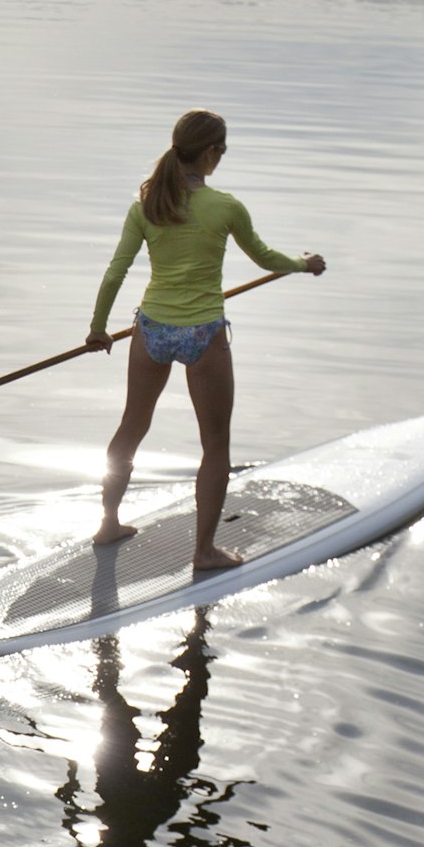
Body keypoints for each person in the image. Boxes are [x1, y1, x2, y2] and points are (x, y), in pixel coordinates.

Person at [82, 109, 324, 571]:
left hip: (150, 330)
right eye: (223, 151)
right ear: (211, 153)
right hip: (203, 335)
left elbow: (116, 271)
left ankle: (109, 522)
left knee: (132, 425)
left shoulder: (146, 206)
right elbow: (265, 258)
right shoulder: (225, 207)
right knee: (215, 445)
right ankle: (204, 552)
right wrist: (304, 263)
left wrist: (97, 328)